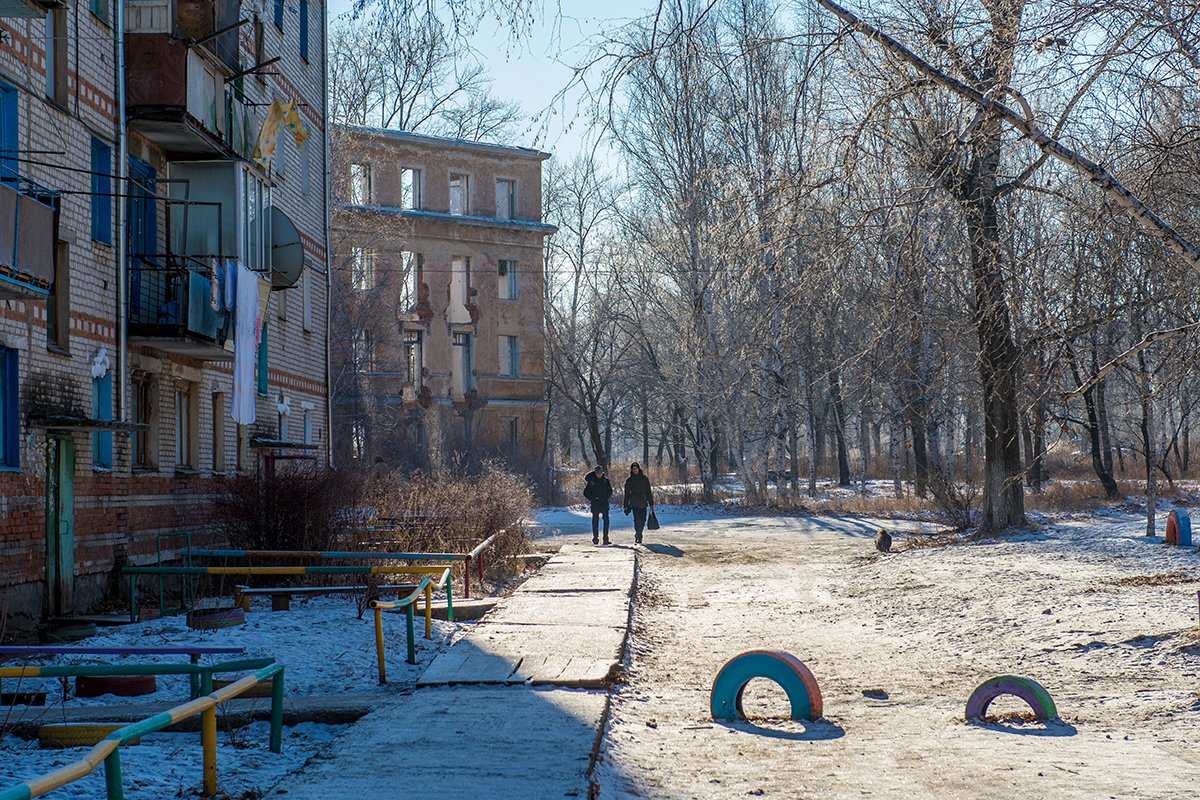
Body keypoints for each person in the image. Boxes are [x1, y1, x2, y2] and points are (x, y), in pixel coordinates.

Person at [623, 462, 655, 544]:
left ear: (638, 469)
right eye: (633, 469)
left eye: (636, 468)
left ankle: (639, 532)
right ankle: (638, 535)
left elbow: (648, 491)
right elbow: (627, 494)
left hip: (643, 501)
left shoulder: (644, 479)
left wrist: (651, 502)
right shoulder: (629, 480)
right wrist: (626, 505)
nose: (635, 470)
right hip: (634, 502)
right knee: (637, 519)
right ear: (631, 470)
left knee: (643, 519)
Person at [583, 465, 613, 545]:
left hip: (604, 503)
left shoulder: (606, 481)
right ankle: (595, 538)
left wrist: (606, 496)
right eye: (597, 473)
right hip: (595, 504)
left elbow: (610, 490)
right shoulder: (592, 482)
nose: (599, 474)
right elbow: (586, 493)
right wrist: (593, 498)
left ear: (602, 473)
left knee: (606, 521)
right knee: (595, 521)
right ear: (595, 473)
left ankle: (605, 538)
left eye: (600, 473)